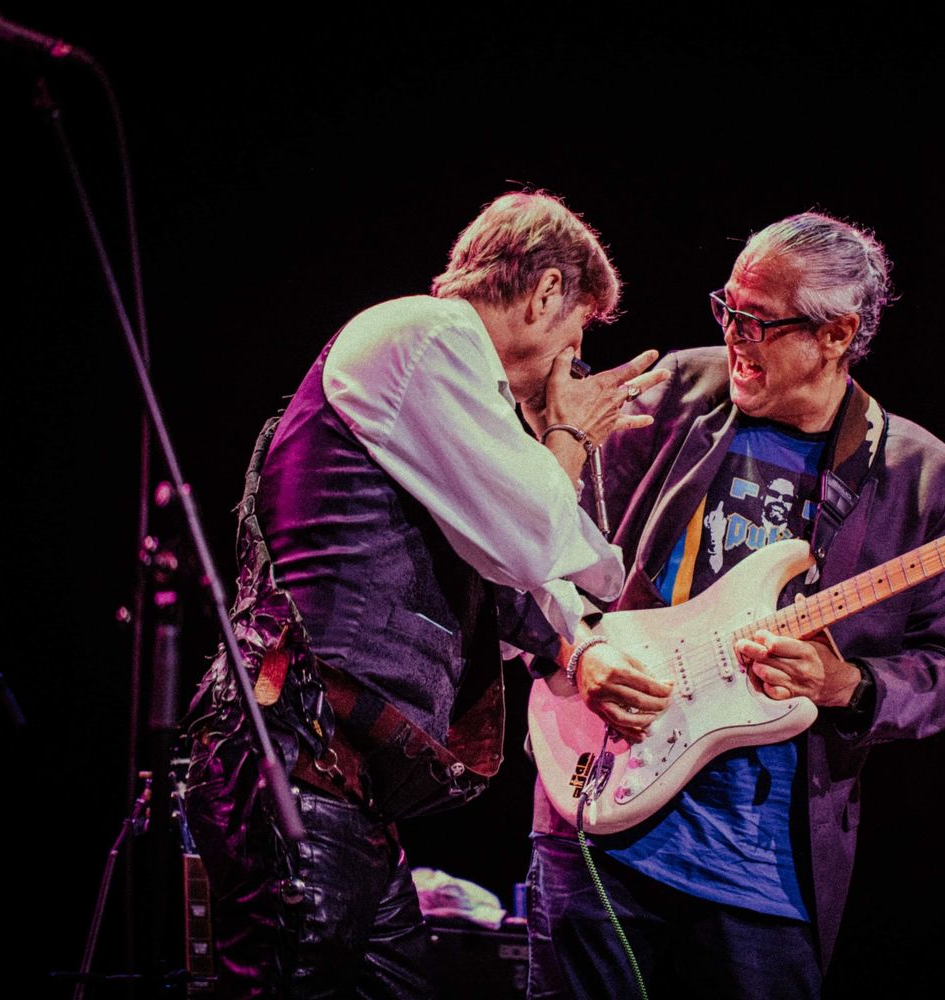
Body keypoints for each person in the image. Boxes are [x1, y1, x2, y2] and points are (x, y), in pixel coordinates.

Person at [182, 190, 668, 998]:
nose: (572, 359)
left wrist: (582, 639)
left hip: (343, 788)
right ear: (547, 292)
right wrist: (571, 435)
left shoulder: (455, 387)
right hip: (296, 760)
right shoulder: (428, 335)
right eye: (579, 328)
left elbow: (547, 580)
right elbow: (534, 543)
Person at [527, 212, 945, 999]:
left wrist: (846, 686)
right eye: (727, 309)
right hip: (600, 813)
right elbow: (538, 552)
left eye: (760, 322)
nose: (736, 335)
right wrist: (579, 653)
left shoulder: (927, 479)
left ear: (837, 335)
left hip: (763, 875)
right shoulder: (673, 394)